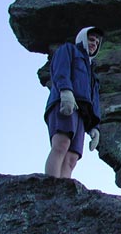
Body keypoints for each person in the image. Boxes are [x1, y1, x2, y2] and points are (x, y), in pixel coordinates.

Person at [44, 26, 104, 178]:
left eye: (97, 43)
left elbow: (94, 100)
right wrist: (66, 92)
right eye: (91, 39)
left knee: (72, 158)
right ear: (83, 37)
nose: (94, 44)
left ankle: (64, 193)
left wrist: (94, 127)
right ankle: (50, 188)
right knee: (61, 144)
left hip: (82, 114)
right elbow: (60, 70)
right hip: (64, 102)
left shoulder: (92, 73)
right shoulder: (69, 50)